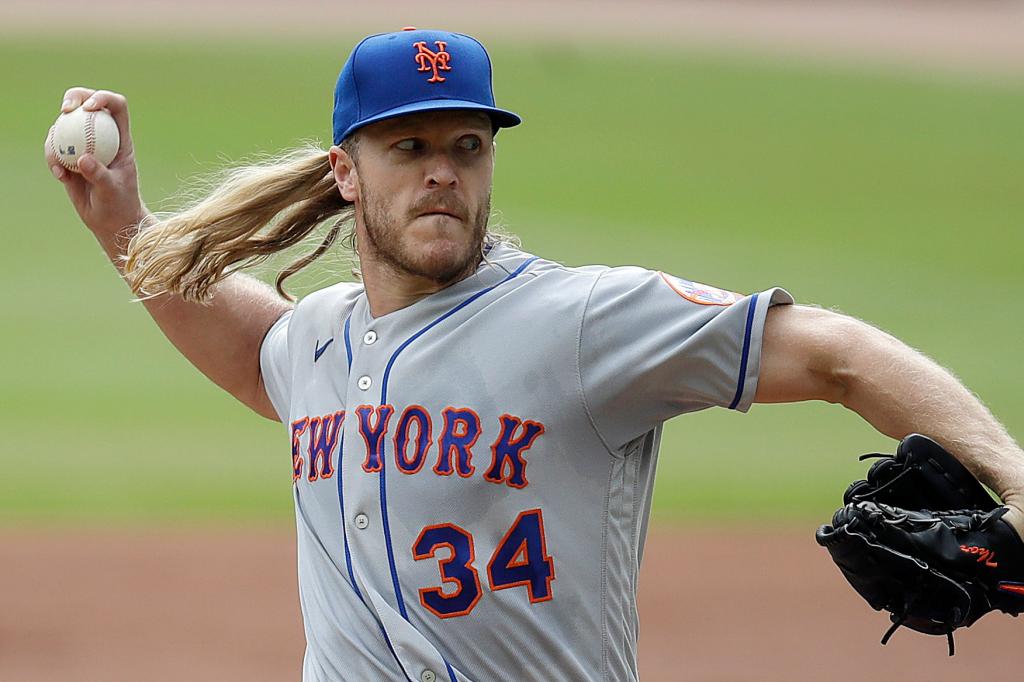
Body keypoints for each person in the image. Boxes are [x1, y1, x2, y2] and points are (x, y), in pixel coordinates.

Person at [47, 28, 1024, 682]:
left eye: (466, 146)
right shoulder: (318, 341)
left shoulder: (584, 321)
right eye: (409, 146)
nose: (442, 171)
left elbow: (838, 353)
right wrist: (123, 223)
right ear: (345, 171)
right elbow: (249, 343)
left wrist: (1015, 482)